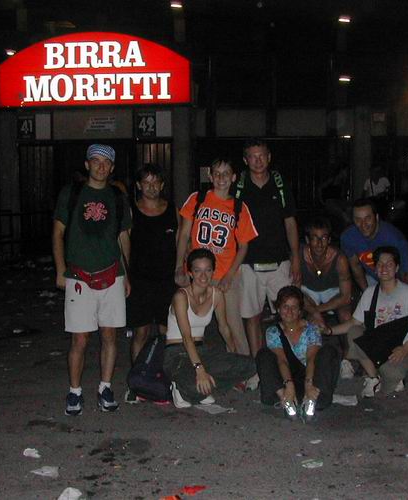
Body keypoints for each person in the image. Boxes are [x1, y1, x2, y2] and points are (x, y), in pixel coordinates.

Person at [52, 144, 132, 416]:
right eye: (95, 161)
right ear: (87, 165)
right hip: (79, 276)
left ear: (112, 168)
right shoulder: (71, 193)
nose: (100, 166)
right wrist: (60, 269)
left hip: (112, 275)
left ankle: (105, 388)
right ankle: (75, 392)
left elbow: (124, 237)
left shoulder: (118, 197)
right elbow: (57, 232)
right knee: (80, 339)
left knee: (110, 335)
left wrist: (127, 274)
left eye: (105, 163)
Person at [175, 158, 258, 356]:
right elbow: (183, 234)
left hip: (224, 273)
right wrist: (179, 265)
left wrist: (230, 275)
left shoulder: (239, 207)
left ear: (234, 177)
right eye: (217, 173)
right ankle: (185, 363)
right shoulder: (197, 198)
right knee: (187, 321)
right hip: (197, 272)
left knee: (231, 325)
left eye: (226, 173)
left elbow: (243, 246)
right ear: (210, 176)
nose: (221, 178)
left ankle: (243, 364)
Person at [328, 246, 408, 397]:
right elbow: (354, 323)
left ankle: (391, 375)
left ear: (397, 268)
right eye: (380, 264)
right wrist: (329, 330)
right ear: (375, 269)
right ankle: (373, 377)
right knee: (355, 333)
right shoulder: (370, 293)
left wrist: (405, 348)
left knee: (390, 373)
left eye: (389, 264)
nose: (384, 268)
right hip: (382, 342)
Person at [164, 248, 256, 408]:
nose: (203, 276)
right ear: (190, 273)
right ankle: (181, 387)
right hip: (177, 353)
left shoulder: (216, 294)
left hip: (202, 350)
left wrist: (232, 354)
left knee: (250, 365)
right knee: (195, 382)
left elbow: (224, 328)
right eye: (197, 271)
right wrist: (200, 370)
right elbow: (186, 337)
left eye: (207, 270)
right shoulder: (181, 296)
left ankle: (202, 388)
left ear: (213, 271)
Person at [236, 139, 301, 358]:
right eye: (252, 156)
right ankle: (259, 362)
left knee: (288, 313)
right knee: (252, 316)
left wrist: (295, 257)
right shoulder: (239, 187)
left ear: (269, 157)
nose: (258, 160)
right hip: (248, 263)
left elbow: (290, 222)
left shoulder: (280, 185)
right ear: (245, 160)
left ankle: (290, 358)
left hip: (279, 261)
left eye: (262, 155)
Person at [256, 286, 341, 421]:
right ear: (278, 309)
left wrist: (309, 384)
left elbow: (311, 358)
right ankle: (285, 399)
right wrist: (289, 386)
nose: (289, 311)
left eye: (294, 307)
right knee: (264, 355)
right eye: (285, 307)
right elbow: (281, 360)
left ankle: (312, 399)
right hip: (286, 379)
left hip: (310, 377)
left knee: (328, 352)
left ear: (300, 310)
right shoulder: (273, 331)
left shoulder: (311, 329)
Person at [125, 164, 179, 367]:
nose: (151, 186)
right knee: (141, 331)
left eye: (155, 182)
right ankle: (137, 375)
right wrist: (125, 275)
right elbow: (123, 243)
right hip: (140, 281)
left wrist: (181, 269)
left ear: (162, 185)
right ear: (139, 185)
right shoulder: (131, 211)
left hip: (167, 279)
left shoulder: (172, 209)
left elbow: (181, 241)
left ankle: (165, 374)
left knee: (168, 330)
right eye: (146, 182)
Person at [341, 198, 408, 302]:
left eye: (368, 218)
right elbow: (356, 267)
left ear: (376, 217)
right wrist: (367, 294)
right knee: (373, 305)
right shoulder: (348, 237)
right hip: (374, 272)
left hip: (406, 270)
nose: (363, 224)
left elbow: (405, 275)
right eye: (358, 220)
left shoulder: (394, 239)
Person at [300, 217, 353, 325]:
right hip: (308, 292)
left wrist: (316, 310)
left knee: (346, 316)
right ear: (307, 240)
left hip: (333, 292)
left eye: (323, 238)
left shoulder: (340, 259)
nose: (319, 244)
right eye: (314, 238)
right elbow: (294, 290)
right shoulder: (299, 256)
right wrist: (312, 311)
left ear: (329, 240)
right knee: (309, 319)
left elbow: (346, 297)